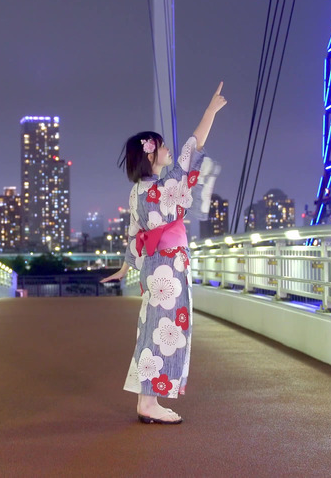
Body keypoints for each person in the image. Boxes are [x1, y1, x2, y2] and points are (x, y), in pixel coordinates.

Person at [100, 82, 227, 424]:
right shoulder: (164, 188)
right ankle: (149, 403)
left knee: (154, 329)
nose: (168, 150)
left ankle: (148, 399)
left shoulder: (137, 192)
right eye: (162, 146)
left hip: (156, 268)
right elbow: (192, 148)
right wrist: (210, 112)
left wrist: (126, 266)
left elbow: (134, 233)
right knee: (166, 331)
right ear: (150, 154)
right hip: (169, 267)